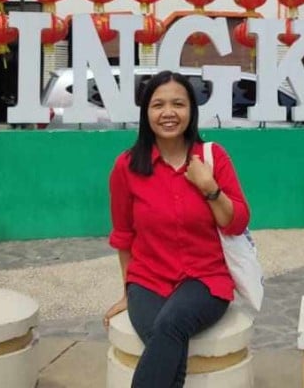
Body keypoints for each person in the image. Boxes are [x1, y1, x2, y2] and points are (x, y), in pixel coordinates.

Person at [104, 71, 251, 388]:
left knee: (170, 325)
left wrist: (209, 186)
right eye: (158, 105)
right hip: (147, 280)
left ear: (191, 110)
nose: (168, 113)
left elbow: (237, 222)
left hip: (205, 279)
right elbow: (123, 236)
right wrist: (128, 291)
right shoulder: (126, 166)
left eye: (178, 104)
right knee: (166, 343)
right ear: (146, 112)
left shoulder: (213, 158)